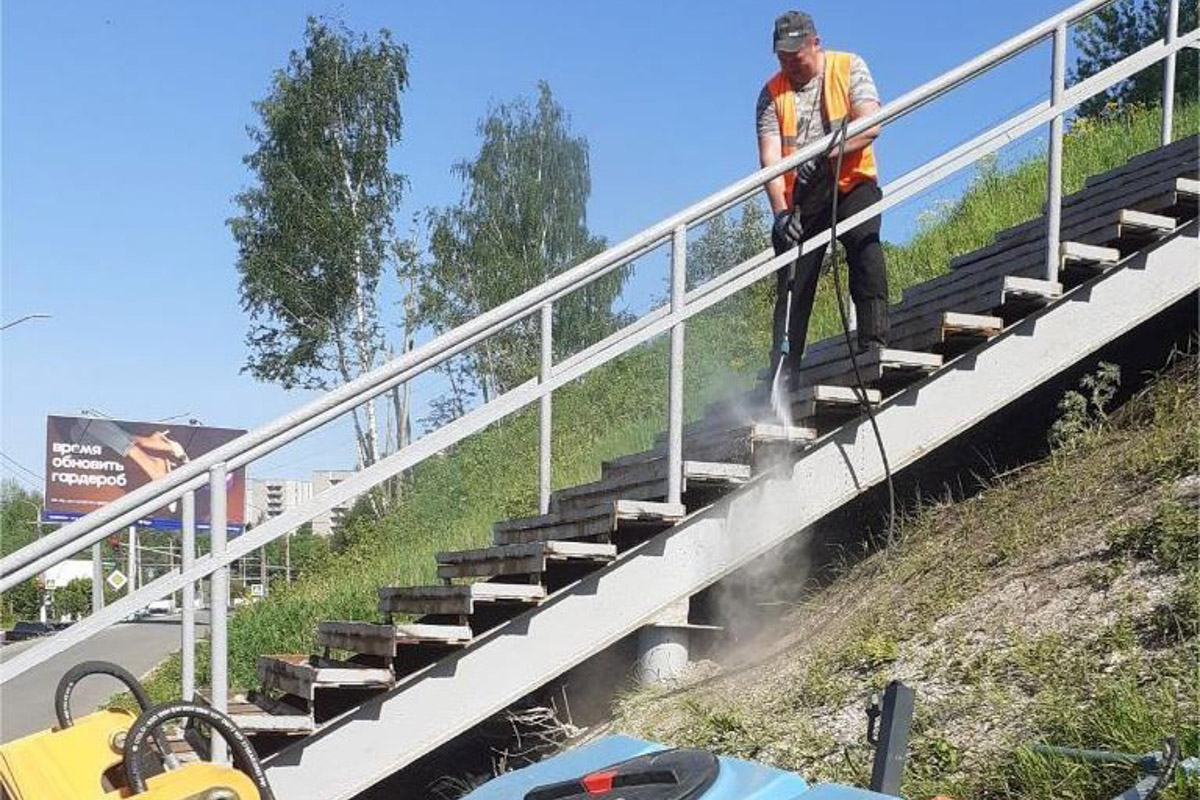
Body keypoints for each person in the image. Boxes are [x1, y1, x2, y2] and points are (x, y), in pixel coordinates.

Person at [756, 10, 889, 389]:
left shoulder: (850, 66)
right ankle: (784, 374)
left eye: (796, 55)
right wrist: (781, 215)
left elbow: (870, 123)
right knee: (793, 280)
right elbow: (769, 159)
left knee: (865, 246)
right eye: (783, 57)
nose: (790, 64)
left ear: (816, 43)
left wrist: (824, 155)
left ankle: (874, 340)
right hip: (801, 196)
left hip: (852, 180)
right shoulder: (771, 94)